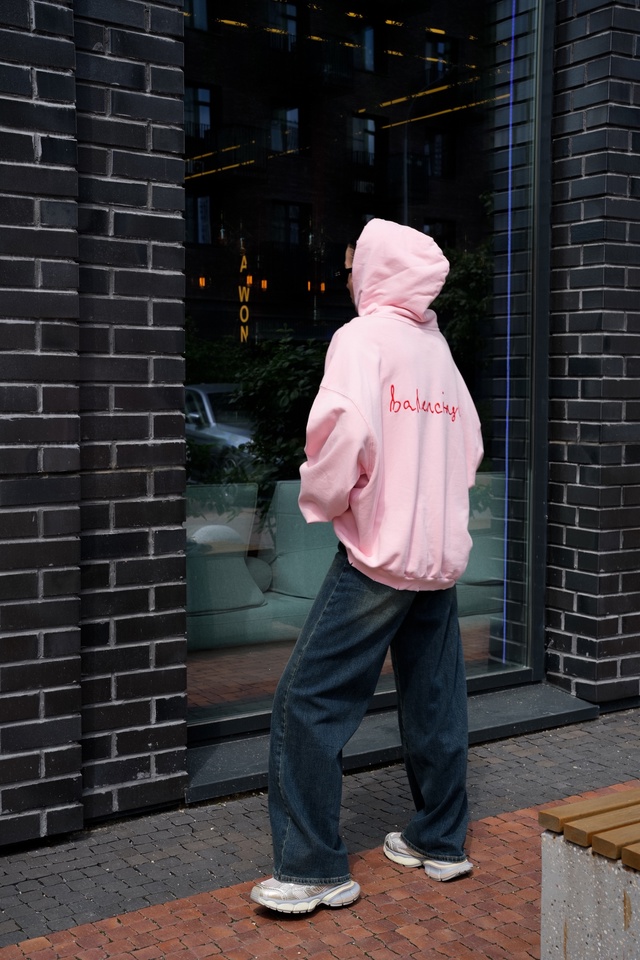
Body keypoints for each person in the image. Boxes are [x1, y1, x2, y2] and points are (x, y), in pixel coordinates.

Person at [250, 217, 484, 915]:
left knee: (307, 703)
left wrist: (327, 501)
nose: (349, 272)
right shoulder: (436, 349)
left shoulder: (361, 339)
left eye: (355, 261)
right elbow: (469, 446)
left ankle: (314, 868)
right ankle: (440, 840)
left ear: (375, 269)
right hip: (436, 558)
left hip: (380, 555)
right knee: (435, 701)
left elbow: (339, 438)